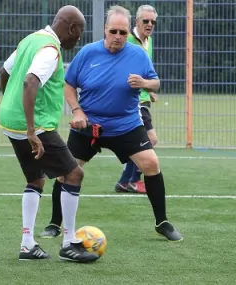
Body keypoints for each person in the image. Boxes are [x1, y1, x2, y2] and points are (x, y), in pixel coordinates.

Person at [40, 5, 183, 242]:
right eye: (113, 31)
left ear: (129, 31)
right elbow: (68, 84)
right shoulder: (87, 53)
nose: (118, 37)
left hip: (126, 124)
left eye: (123, 33)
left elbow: (156, 83)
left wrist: (144, 83)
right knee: (66, 171)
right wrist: (76, 111)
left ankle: (162, 222)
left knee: (151, 163)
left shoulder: (138, 55)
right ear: (105, 29)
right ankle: (55, 223)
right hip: (89, 126)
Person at [0, 5, 100, 262]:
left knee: (36, 179)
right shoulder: (50, 50)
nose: (78, 40)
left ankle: (27, 244)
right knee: (74, 174)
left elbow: (4, 72)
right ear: (71, 28)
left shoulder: (30, 40)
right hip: (36, 126)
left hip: (11, 122)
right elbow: (30, 81)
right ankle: (69, 243)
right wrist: (32, 130)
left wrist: (13, 107)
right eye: (79, 33)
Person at [115, 5, 158, 194]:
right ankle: (132, 180)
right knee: (150, 139)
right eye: (146, 21)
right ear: (137, 22)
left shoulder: (148, 41)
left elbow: (144, 71)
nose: (149, 25)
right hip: (133, 101)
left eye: (153, 22)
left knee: (142, 141)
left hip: (143, 97)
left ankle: (126, 181)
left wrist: (149, 88)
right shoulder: (128, 40)